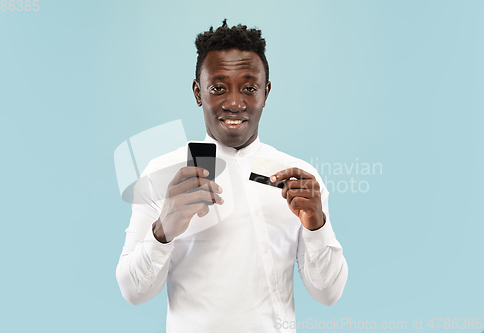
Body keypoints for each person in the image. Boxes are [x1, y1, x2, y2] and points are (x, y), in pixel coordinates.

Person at [116, 19, 348, 333]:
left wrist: (317, 226)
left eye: (249, 88)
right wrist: (163, 229)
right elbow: (133, 292)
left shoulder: (301, 180)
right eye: (219, 88)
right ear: (199, 92)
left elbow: (328, 293)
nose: (235, 103)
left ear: (265, 92)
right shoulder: (162, 174)